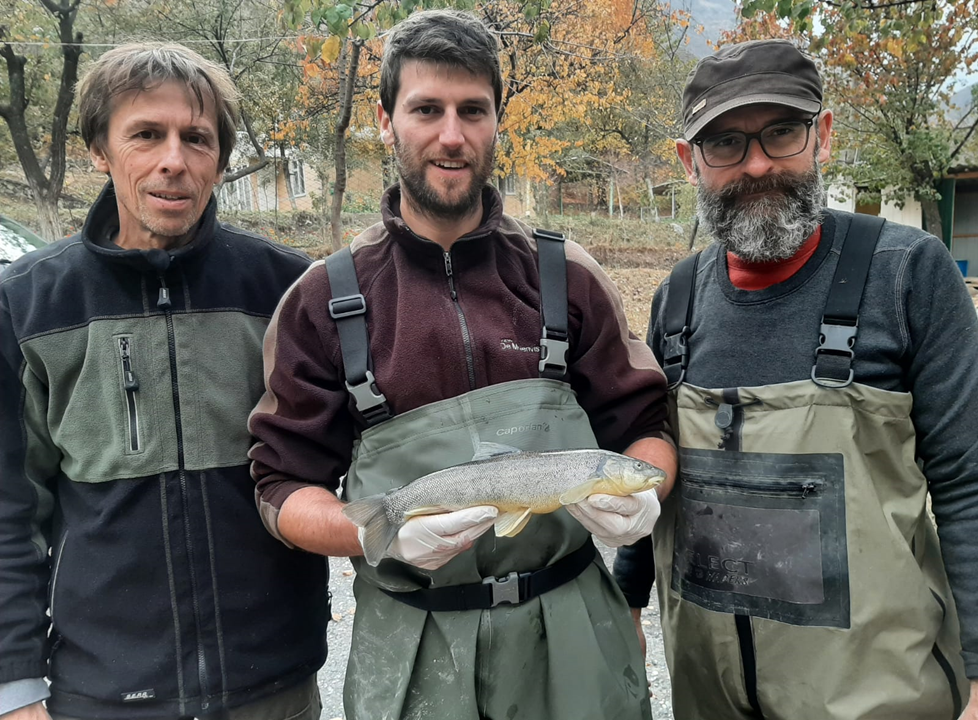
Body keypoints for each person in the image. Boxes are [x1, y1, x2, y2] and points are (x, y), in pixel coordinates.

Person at [248, 9, 677, 720]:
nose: (452, 135)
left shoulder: (567, 276)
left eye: (472, 110)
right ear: (385, 121)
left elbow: (646, 427)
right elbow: (280, 485)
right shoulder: (323, 300)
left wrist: (645, 497)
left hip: (571, 639)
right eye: (427, 110)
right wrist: (369, 532)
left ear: (497, 121)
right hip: (413, 648)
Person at [614, 39, 978, 720]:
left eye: (782, 132)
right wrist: (627, 602)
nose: (757, 164)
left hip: (880, 697)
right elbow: (649, 479)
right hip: (709, 693)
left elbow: (969, 486)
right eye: (725, 142)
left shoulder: (907, 275)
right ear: (687, 161)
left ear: (825, 135)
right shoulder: (676, 301)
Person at [0, 44, 328, 720]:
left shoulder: (286, 289)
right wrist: (16, 684)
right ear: (100, 148)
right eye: (146, 134)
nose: (173, 160)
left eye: (197, 138)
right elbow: (8, 508)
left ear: (220, 157)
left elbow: (337, 462)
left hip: (273, 688)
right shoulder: (27, 304)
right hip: (102, 691)